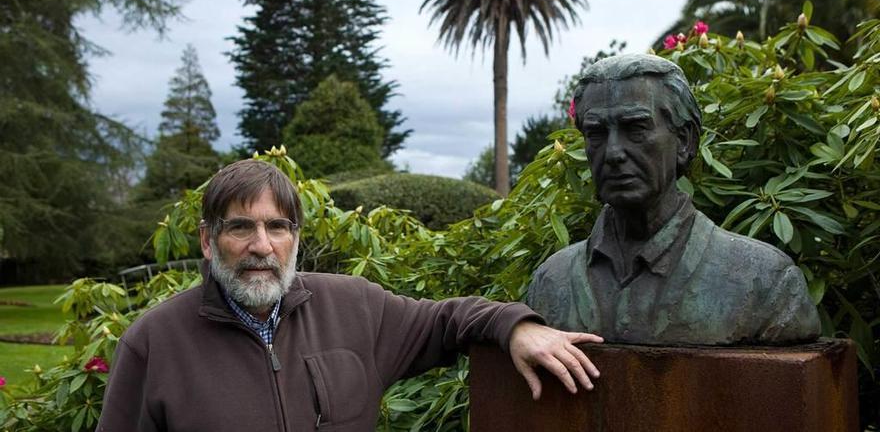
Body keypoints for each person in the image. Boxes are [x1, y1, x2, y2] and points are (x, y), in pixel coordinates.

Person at [98, 159, 603, 431]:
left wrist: (517, 326)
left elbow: (448, 319)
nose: (261, 245)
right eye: (240, 228)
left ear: (296, 237)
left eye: (278, 226)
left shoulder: (354, 307)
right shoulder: (154, 343)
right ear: (208, 242)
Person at [527, 54, 821, 346]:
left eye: (635, 129)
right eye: (596, 133)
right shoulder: (551, 283)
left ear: (684, 141)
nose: (613, 152)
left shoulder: (765, 282)